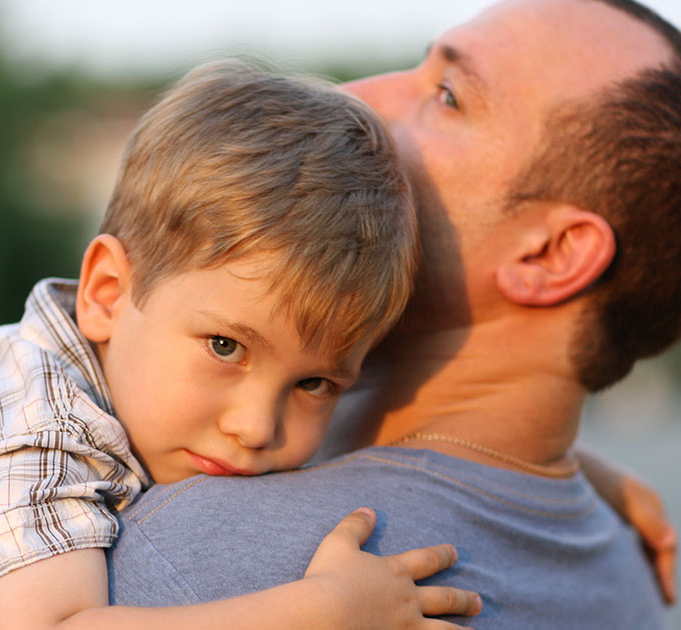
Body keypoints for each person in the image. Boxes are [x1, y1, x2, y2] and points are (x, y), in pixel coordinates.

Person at [0, 62, 487, 629]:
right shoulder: (31, 423)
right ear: (105, 293)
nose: (256, 427)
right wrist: (321, 613)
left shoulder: (152, 397)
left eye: (313, 384)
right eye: (225, 347)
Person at [106, 0, 681, 627]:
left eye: (448, 96)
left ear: (550, 255)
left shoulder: (200, 564)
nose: (356, 96)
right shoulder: (629, 574)